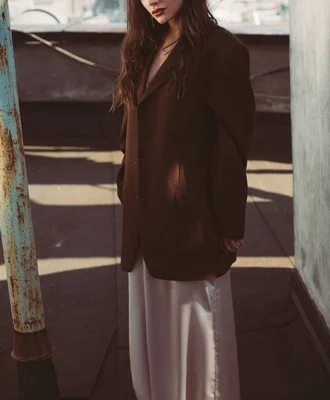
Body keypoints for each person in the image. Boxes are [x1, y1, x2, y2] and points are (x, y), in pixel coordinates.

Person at [111, 0, 255, 396]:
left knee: (199, 346)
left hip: (192, 225)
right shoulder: (143, 46)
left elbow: (230, 146)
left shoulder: (223, 52)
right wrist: (128, 188)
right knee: (154, 336)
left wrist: (228, 222)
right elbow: (132, 136)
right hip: (145, 221)